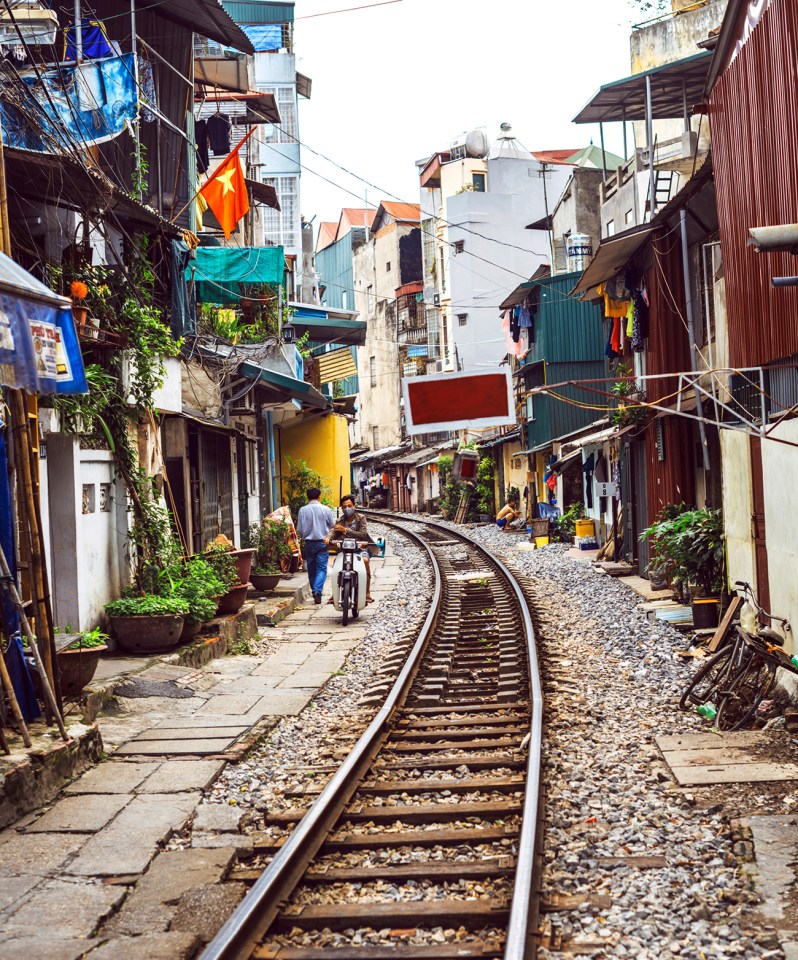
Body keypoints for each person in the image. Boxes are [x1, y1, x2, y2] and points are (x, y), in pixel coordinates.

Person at [329, 494, 375, 604]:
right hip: (345, 550)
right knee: (336, 563)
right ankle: (335, 593)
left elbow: (363, 534)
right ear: (341, 508)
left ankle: (367, 592)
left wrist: (345, 530)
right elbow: (333, 532)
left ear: (354, 506)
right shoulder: (340, 520)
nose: (347, 508)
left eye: (349, 505)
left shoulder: (361, 518)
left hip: (360, 549)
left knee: (365, 561)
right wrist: (328, 538)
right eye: (344, 507)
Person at [296, 487, 334, 604]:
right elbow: (332, 525)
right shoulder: (325, 509)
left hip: (308, 543)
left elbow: (300, 529)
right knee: (321, 569)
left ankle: (315, 590)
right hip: (323, 543)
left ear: (307, 497)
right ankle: (317, 591)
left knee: (311, 569)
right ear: (319, 496)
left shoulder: (302, 510)